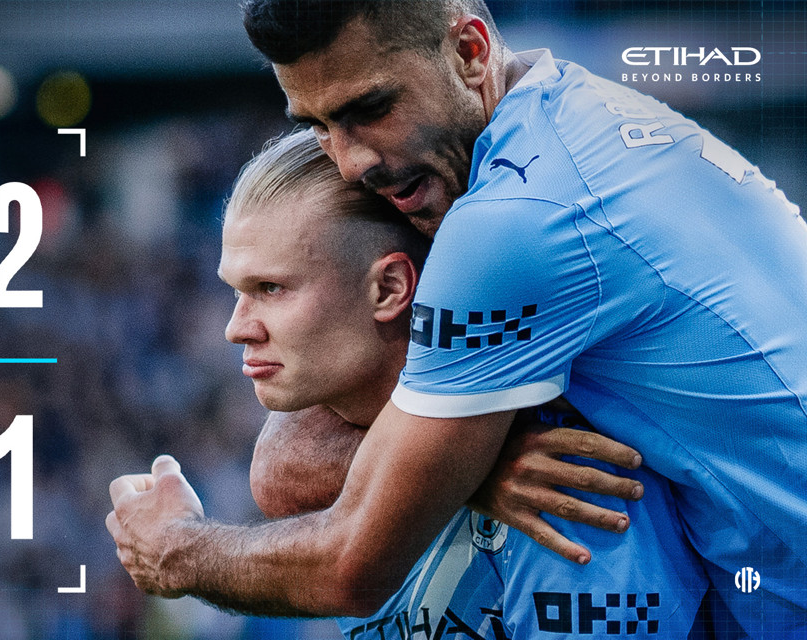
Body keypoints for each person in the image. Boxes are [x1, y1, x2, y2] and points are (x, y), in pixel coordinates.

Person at [108, 1, 807, 635]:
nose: (349, 162)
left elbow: (352, 562)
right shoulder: (563, 120)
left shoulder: (514, 224)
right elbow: (285, 463)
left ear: (470, 52)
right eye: (319, 126)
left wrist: (175, 549)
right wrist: (473, 466)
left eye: (370, 108)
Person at [220, 129, 706, 637]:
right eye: (237, 291)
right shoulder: (321, 461)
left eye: (270, 288)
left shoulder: (565, 480)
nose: (235, 328)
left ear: (389, 288)